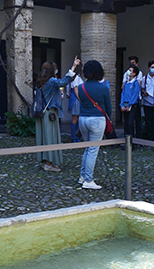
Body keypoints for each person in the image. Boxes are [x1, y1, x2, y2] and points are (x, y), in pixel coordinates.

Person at [35, 56, 81, 172]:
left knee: (44, 137)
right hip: (50, 113)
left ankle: (45, 161)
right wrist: (74, 67)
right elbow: (64, 82)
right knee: (50, 137)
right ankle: (49, 163)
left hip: (42, 113)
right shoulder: (51, 81)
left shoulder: (41, 81)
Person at [77, 60, 111, 190]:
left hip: (83, 118)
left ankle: (83, 176)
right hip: (97, 119)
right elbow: (108, 107)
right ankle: (89, 180)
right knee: (93, 150)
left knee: (87, 148)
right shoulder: (103, 88)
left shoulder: (81, 87)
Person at [122, 56, 143, 138]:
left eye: (130, 71)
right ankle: (126, 141)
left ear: (134, 74)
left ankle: (132, 142)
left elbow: (135, 95)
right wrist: (122, 105)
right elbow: (123, 93)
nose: (128, 72)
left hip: (132, 105)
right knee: (126, 124)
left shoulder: (135, 83)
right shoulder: (127, 83)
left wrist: (129, 105)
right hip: (125, 104)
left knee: (131, 123)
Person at [141, 60, 154, 141]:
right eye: (152, 67)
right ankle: (150, 138)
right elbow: (142, 88)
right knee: (149, 121)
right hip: (147, 101)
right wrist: (144, 92)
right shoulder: (145, 78)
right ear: (148, 68)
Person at [68, 63, 84, 143]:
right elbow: (76, 89)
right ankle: (75, 137)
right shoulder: (77, 78)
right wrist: (81, 99)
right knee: (76, 118)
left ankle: (76, 136)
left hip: (72, 98)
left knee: (76, 118)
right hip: (76, 99)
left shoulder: (71, 78)